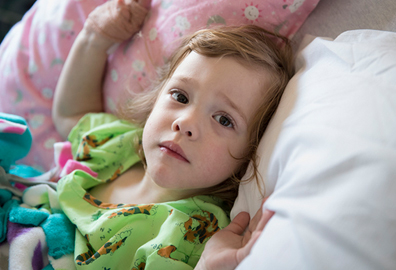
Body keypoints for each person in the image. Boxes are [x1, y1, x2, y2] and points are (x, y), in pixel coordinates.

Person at [51, 0, 294, 269]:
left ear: (250, 153)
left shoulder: (191, 234)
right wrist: (94, 38)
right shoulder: (118, 144)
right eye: (180, 96)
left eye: (224, 120)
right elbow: (70, 115)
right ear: (156, 98)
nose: (185, 122)